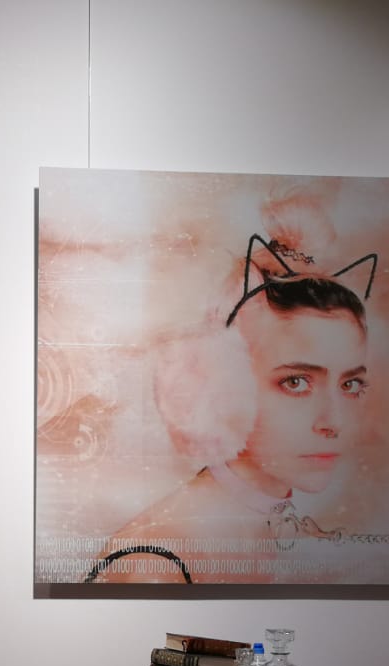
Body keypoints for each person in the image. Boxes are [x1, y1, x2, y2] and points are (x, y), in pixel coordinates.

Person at [89, 234, 374, 583]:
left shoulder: (275, 528)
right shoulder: (160, 561)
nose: (334, 422)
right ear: (222, 385)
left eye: (350, 384)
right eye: (296, 382)